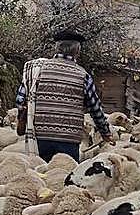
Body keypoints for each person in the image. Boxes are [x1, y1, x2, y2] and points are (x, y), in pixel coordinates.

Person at [15, 31, 113, 162]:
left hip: (41, 137)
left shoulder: (37, 70)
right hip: (68, 139)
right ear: (77, 51)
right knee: (64, 175)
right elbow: (95, 108)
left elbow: (20, 101)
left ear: (56, 48)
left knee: (40, 174)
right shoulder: (83, 76)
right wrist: (105, 132)